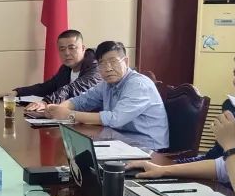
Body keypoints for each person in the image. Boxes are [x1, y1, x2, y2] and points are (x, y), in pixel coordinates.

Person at [36, 41, 169, 150]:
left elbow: (115, 119)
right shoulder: (107, 84)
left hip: (148, 148)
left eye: (113, 61)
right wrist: (58, 109)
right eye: (102, 64)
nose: (108, 68)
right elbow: (82, 100)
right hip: (120, 141)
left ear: (126, 62)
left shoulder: (138, 85)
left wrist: (69, 115)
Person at [17, 30, 101, 105]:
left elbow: (72, 89)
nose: (67, 53)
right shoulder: (65, 68)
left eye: (72, 48)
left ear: (83, 48)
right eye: (62, 49)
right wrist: (18, 92)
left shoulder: (96, 67)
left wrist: (46, 102)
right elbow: (47, 87)